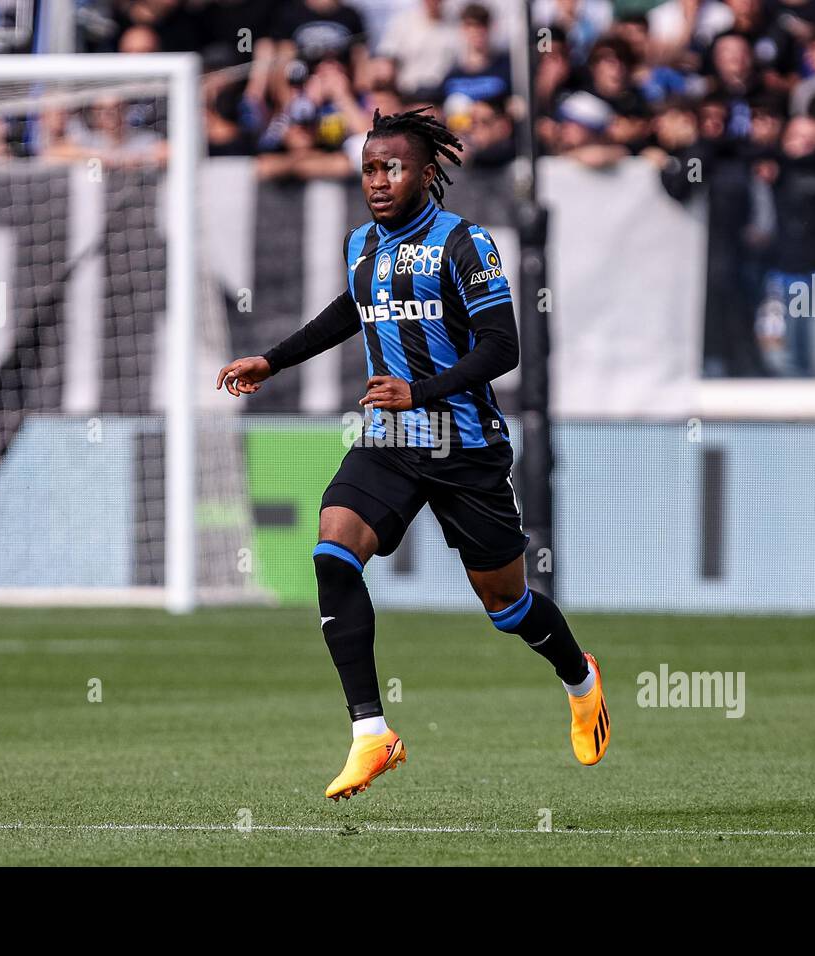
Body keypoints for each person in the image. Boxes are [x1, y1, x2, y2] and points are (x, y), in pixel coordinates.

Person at [216, 108, 610, 801]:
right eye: (369, 168)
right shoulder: (362, 244)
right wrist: (273, 360)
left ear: (427, 174)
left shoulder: (467, 244)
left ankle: (579, 677)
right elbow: (353, 308)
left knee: (507, 606)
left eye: (391, 167)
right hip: (391, 442)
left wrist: (419, 390)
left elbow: (503, 347)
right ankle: (371, 732)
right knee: (333, 552)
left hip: (465, 447)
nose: (377, 180)